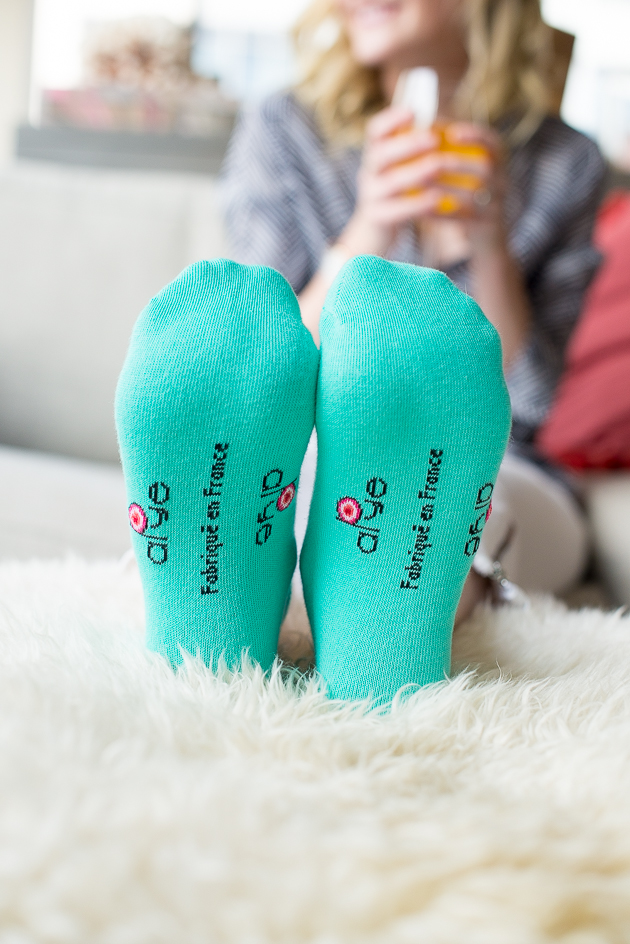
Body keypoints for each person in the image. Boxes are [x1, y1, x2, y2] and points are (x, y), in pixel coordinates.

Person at [220, 0, 606, 624]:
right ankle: (233, 588)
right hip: (321, 440)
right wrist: (369, 228)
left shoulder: (566, 161)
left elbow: (529, 401)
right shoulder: (286, 127)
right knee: (293, 477)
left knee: (465, 504)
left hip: (502, 464)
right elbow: (258, 365)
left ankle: (380, 618)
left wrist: (490, 247)